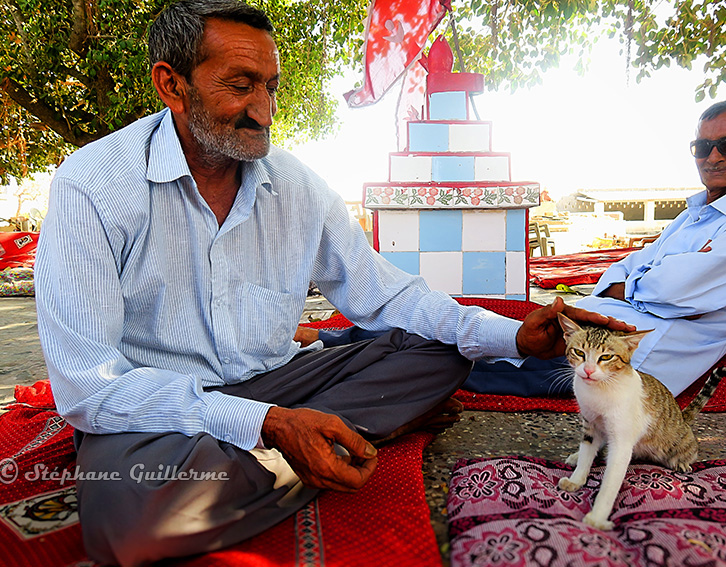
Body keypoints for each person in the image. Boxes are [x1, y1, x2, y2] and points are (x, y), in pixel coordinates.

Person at [34, 2, 631, 565]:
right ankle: (329, 442)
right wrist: (266, 422)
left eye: (270, 86)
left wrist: (515, 339)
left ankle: (297, 452)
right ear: (172, 84)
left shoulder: (295, 186)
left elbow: (388, 294)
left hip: (281, 380)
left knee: (441, 349)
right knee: (128, 526)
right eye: (241, 85)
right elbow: (89, 388)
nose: (264, 109)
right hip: (161, 410)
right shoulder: (94, 187)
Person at [573, 97, 726, 396]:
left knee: (497, 362)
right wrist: (659, 285)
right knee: (504, 333)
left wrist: (634, 288)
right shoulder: (689, 216)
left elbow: (674, 289)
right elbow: (622, 269)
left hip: (631, 365)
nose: (713, 157)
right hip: (593, 340)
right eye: (703, 147)